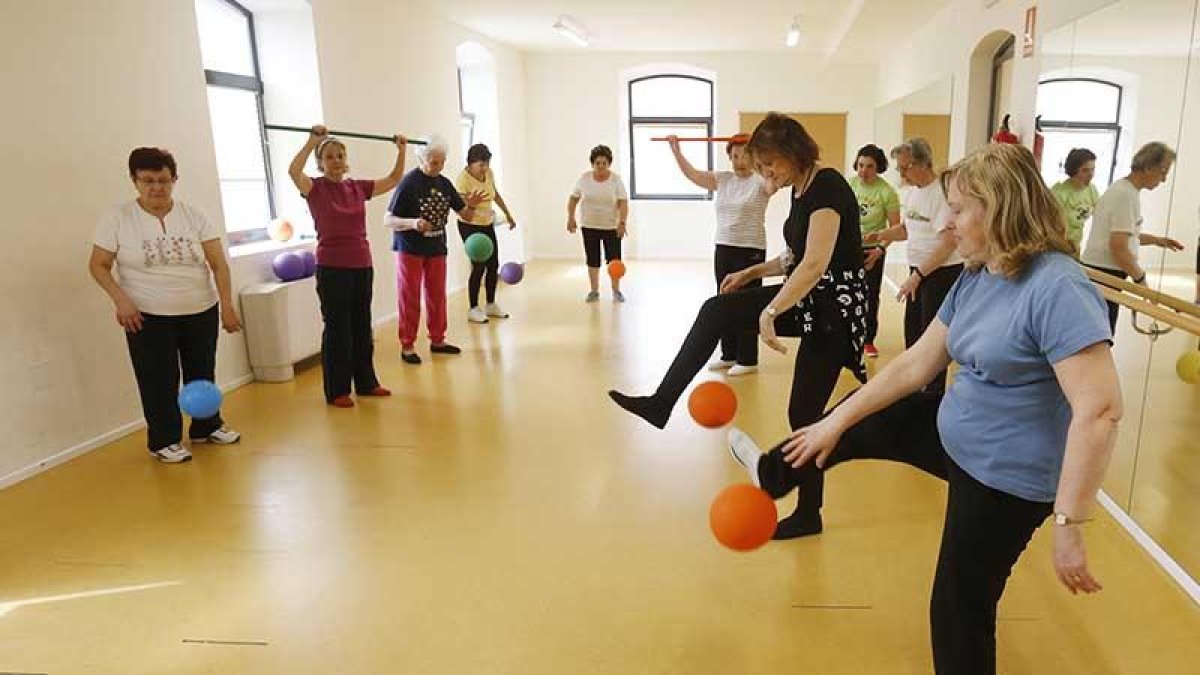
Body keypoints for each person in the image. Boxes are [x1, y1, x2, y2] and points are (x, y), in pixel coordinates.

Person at [728, 144, 1120, 674]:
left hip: (1004, 478)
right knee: (850, 420)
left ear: (1000, 207)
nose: (949, 223)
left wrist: (1070, 521)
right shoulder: (981, 272)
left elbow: (1099, 410)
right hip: (954, 433)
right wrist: (835, 422)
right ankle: (772, 474)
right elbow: (917, 364)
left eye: (959, 210)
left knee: (959, 607)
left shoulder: (1057, 286)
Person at [610, 113, 867, 539]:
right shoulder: (800, 189)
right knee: (719, 312)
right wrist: (750, 276)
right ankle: (661, 404)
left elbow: (816, 263)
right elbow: (792, 257)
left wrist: (769, 311)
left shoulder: (828, 185)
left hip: (834, 307)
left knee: (801, 411)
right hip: (812, 297)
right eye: (762, 165)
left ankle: (807, 513)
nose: (766, 174)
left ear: (793, 152)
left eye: (770, 165)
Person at [89, 147, 242, 462]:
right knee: (158, 379)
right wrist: (121, 300)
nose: (156, 187)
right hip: (146, 315)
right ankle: (164, 440)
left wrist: (226, 304)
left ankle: (206, 426)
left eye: (163, 180)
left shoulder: (193, 215)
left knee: (202, 372)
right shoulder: (118, 218)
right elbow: (98, 264)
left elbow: (218, 263)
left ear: (174, 179)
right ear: (134, 181)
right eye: (148, 180)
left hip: (200, 308)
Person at [289, 126, 405, 408]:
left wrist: (401, 151)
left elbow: (392, 179)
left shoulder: (357, 188)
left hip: (361, 265)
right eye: (330, 156)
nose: (336, 160)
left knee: (361, 326)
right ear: (321, 162)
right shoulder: (315, 188)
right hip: (332, 268)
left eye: (340, 155)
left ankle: (367, 383)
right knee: (338, 328)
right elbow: (293, 171)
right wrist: (311, 142)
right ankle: (337, 390)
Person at [665, 133, 773, 376]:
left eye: (745, 154)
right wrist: (676, 150)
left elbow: (774, 182)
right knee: (724, 299)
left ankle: (748, 359)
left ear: (753, 156)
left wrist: (768, 156)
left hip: (751, 249)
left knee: (747, 302)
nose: (739, 160)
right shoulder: (723, 179)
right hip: (724, 246)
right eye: (734, 156)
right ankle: (729, 354)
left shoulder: (760, 181)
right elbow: (693, 175)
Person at [870, 138, 963, 397]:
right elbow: (907, 230)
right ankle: (915, 389)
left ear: (923, 163)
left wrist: (918, 276)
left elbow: (947, 244)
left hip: (939, 273)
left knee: (931, 341)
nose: (902, 173)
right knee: (913, 334)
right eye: (899, 168)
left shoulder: (941, 194)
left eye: (905, 167)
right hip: (919, 272)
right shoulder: (912, 193)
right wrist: (881, 235)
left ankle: (932, 396)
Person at [384, 136, 484, 364]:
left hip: (437, 247)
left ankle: (438, 340)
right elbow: (388, 219)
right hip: (410, 248)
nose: (437, 166)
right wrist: (413, 223)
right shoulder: (409, 183)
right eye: (433, 162)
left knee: (437, 296)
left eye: (441, 162)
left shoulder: (444, 183)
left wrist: (473, 205)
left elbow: (465, 215)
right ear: (422, 158)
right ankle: (407, 345)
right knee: (409, 297)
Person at [1081, 141, 1185, 332]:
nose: (1164, 179)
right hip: (1104, 275)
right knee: (1097, 337)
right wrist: (1141, 281)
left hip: (1103, 273)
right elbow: (1118, 247)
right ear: (1148, 167)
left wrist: (1157, 241)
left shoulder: (1124, 190)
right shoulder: (1125, 195)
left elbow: (1126, 236)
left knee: (1097, 335)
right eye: (1163, 171)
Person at [456, 143, 518, 324]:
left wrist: (508, 214)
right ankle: (473, 308)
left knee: (493, 264)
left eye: (487, 164)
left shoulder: (488, 174)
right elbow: (460, 208)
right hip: (469, 225)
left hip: (486, 223)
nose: (485, 168)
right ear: (471, 163)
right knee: (478, 265)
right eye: (481, 165)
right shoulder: (463, 180)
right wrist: (472, 203)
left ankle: (491, 304)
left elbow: (495, 195)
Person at [849, 144, 901, 358]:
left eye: (869, 166)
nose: (863, 171)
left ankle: (868, 340)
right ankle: (849, 338)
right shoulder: (850, 185)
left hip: (873, 251)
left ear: (878, 167)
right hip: (849, 249)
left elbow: (895, 227)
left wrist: (880, 249)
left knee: (870, 295)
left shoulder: (886, 192)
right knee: (849, 294)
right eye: (860, 165)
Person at [568, 145, 629, 302]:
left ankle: (616, 291)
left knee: (614, 261)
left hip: (611, 227)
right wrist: (571, 217)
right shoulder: (584, 179)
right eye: (597, 163)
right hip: (589, 226)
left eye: (604, 163)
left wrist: (622, 222)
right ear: (593, 164)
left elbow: (623, 202)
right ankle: (594, 291)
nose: (601, 166)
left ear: (609, 163)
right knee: (592, 260)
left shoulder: (616, 180)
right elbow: (573, 199)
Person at [1050, 148, 1100, 250]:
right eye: (1085, 170)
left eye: (1093, 169)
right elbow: (1051, 226)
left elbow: (1101, 214)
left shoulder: (1092, 190)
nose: (1091, 174)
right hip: (1056, 246)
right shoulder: (1059, 193)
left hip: (1075, 246)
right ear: (1074, 171)